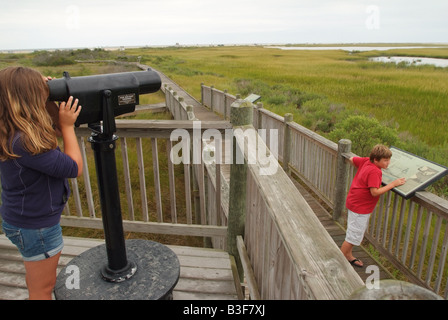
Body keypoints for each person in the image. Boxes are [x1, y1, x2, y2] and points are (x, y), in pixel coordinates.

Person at [0, 66, 83, 299]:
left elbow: (51, 129)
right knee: (43, 289)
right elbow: (74, 168)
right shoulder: (26, 141)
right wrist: (68, 126)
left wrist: (49, 99)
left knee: (36, 277)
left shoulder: (12, 130)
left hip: (21, 219)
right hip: (37, 227)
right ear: (30, 98)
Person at [340, 144, 405, 268]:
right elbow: (374, 192)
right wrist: (393, 184)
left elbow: (353, 159)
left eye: (389, 160)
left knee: (353, 232)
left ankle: (348, 255)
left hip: (354, 202)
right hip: (360, 207)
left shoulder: (366, 161)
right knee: (353, 236)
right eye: (385, 160)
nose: (388, 163)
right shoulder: (375, 171)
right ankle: (340, 261)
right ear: (376, 160)